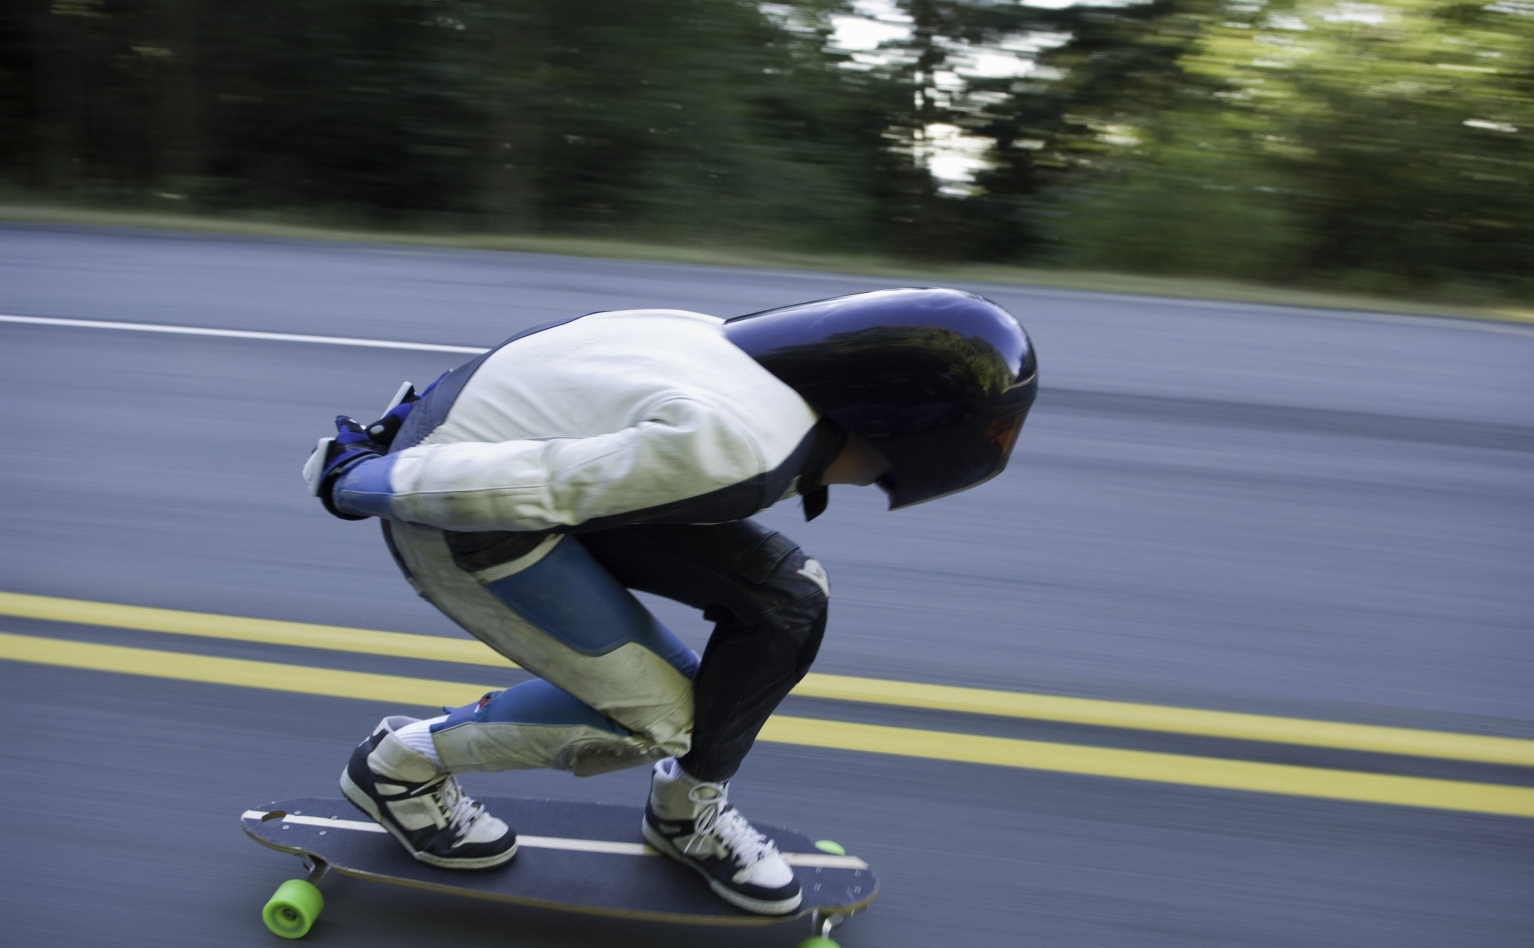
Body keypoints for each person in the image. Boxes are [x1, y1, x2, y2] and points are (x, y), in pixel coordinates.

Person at [302, 287, 1037, 915]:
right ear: (922, 436)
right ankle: (399, 767)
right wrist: (364, 478)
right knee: (660, 722)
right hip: (466, 511)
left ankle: (685, 812)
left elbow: (545, 368)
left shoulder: (731, 351)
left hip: (529, 474)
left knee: (790, 601)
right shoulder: (737, 447)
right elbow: (534, 477)